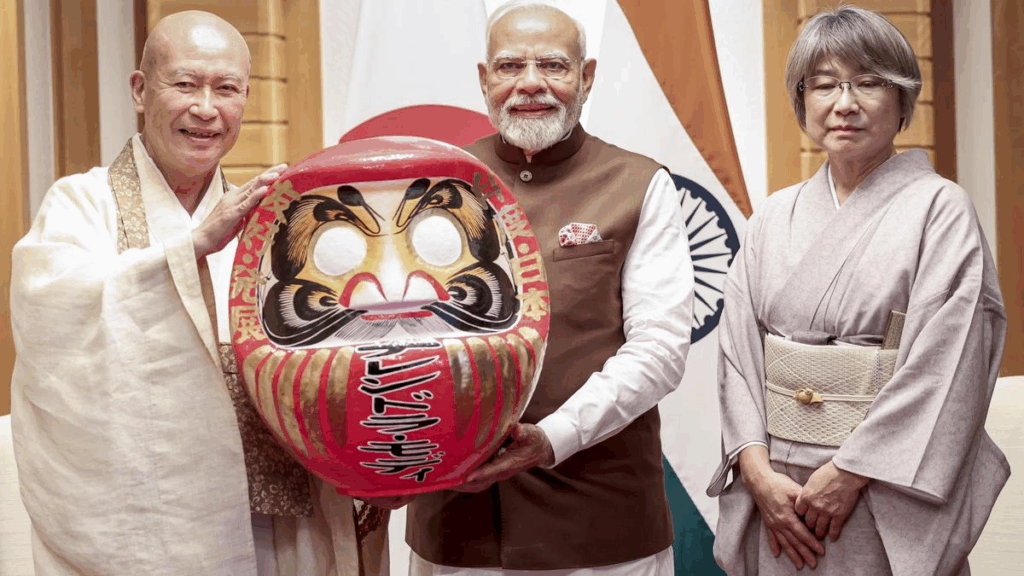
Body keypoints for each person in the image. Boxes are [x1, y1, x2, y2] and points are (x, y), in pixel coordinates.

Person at [10, 11, 386, 575]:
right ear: (141, 90)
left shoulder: (268, 218)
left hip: (283, 513)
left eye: (226, 88)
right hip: (159, 511)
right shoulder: (80, 205)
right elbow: (52, 317)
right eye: (184, 84)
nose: (206, 108)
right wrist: (187, 251)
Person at [707, 6, 1009, 575]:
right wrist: (755, 470)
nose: (844, 103)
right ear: (802, 102)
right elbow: (737, 357)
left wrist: (850, 472)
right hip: (778, 493)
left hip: (880, 487)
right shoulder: (772, 215)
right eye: (824, 85)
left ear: (901, 100)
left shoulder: (940, 210)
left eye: (868, 83)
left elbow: (951, 361)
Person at [403, 2, 695, 575]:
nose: (530, 84)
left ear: (586, 77)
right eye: (510, 66)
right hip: (457, 523)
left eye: (553, 66)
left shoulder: (639, 184)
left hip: (599, 524)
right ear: (485, 80)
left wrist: (553, 436)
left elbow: (659, 349)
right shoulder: (436, 184)